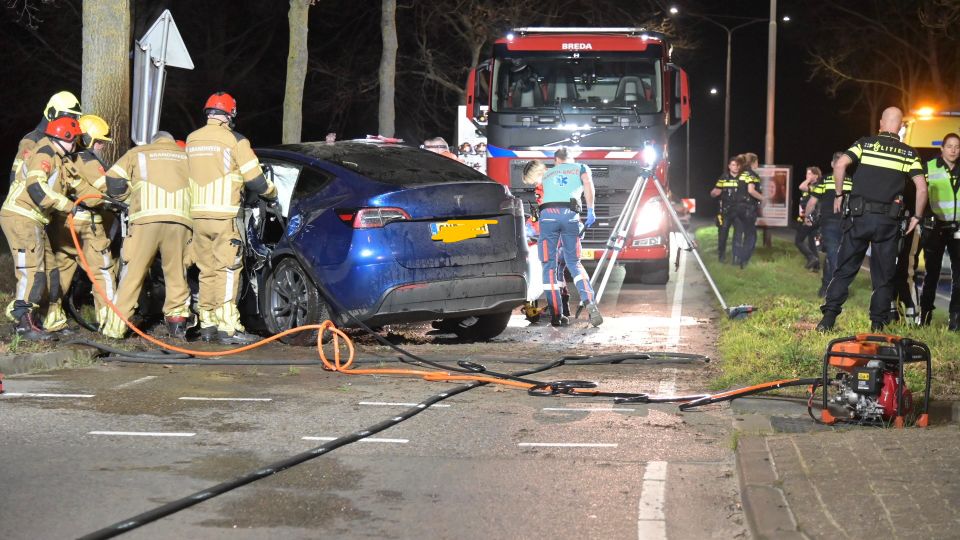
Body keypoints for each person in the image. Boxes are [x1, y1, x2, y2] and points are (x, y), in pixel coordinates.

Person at [817, 107, 927, 332]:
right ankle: (877, 325)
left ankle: (828, 319)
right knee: (883, 276)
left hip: (859, 218)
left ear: (881, 124)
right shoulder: (908, 153)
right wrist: (917, 216)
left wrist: (838, 194)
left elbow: (840, 165)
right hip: (888, 223)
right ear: (900, 127)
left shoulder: (865, 144)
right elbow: (922, 188)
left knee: (845, 269)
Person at [186, 92, 278, 344]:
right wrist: (272, 192)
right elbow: (255, 180)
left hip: (198, 217)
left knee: (206, 270)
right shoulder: (235, 141)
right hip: (224, 216)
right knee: (228, 269)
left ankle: (207, 323)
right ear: (230, 115)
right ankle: (228, 327)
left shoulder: (192, 140)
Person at [100, 131, 193, 340]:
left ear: (154, 141)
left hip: (145, 219)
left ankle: (115, 329)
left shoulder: (138, 153)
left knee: (133, 272)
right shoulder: (186, 156)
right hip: (180, 220)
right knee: (176, 273)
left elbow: (113, 178)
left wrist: (126, 198)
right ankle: (177, 325)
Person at [0, 117, 85, 340]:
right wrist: (66, 205)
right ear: (64, 137)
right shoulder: (45, 153)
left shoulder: (60, 159)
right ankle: (23, 322)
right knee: (32, 271)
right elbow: (36, 187)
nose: (76, 144)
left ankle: (45, 319)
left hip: (36, 220)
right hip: (22, 217)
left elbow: (79, 188)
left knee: (50, 272)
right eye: (74, 140)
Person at [43, 114, 116, 332]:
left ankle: (49, 318)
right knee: (103, 272)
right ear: (86, 139)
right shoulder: (88, 160)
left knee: (61, 272)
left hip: (61, 225)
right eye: (99, 141)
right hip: (87, 227)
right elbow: (109, 190)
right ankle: (111, 322)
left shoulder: (65, 159)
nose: (102, 146)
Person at [538, 147, 602, 327]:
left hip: (548, 216)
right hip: (570, 215)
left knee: (549, 265)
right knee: (574, 262)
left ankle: (556, 315)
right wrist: (591, 210)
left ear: (556, 159)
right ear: (571, 158)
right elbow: (588, 185)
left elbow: (539, 197)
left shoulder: (547, 173)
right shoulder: (581, 167)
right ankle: (590, 303)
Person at [918, 132, 960, 329]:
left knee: (959, 276)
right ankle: (924, 317)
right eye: (949, 146)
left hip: (958, 229)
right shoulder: (929, 167)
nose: (953, 150)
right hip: (935, 227)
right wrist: (925, 215)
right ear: (942, 148)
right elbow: (919, 193)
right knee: (931, 273)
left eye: (957, 147)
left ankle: (955, 321)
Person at [807, 152, 852, 297]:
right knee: (835, 256)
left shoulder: (825, 180)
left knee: (833, 256)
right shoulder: (851, 181)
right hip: (842, 224)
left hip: (833, 223)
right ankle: (836, 290)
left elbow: (812, 201)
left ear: (833, 164)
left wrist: (807, 216)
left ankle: (826, 287)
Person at [729, 152, 762, 268]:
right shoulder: (751, 175)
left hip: (738, 208)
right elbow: (751, 190)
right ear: (753, 162)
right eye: (757, 161)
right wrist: (764, 198)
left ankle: (737, 258)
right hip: (748, 209)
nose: (758, 163)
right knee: (751, 236)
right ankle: (743, 260)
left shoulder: (741, 174)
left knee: (739, 233)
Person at [709, 156, 741, 263]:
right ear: (729, 166)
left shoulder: (743, 179)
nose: (735, 167)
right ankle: (721, 256)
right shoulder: (724, 177)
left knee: (738, 236)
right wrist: (714, 193)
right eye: (733, 165)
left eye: (737, 165)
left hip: (739, 211)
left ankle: (736, 258)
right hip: (725, 211)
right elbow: (714, 192)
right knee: (723, 234)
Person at [794, 166, 821, 271]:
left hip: (810, 217)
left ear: (816, 175)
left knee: (798, 241)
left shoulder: (816, 186)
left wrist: (808, 180)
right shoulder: (811, 186)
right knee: (812, 243)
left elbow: (801, 186)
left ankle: (811, 257)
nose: (807, 176)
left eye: (810, 174)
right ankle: (816, 267)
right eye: (807, 174)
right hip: (807, 216)